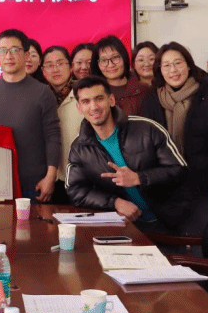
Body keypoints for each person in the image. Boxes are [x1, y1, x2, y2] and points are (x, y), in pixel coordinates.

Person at [66, 76, 188, 233]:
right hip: (125, 228)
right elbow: (75, 190)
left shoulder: (147, 129)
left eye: (99, 98)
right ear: (79, 108)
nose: (94, 106)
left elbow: (180, 170)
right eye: (86, 101)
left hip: (169, 224)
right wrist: (115, 202)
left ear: (111, 100)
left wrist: (139, 178)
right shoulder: (79, 147)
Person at [139, 43, 208, 233]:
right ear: (160, 70)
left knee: (197, 239)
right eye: (166, 65)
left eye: (178, 63)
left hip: (199, 186)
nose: (173, 70)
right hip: (161, 187)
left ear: (188, 65)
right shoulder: (153, 99)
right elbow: (144, 143)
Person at [0, 29, 61, 202]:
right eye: (3, 51)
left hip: (34, 184)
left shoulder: (43, 92)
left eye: (15, 50)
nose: (9, 56)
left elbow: (53, 136)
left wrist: (50, 177)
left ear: (27, 54)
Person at [43, 45, 78, 205]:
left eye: (60, 63)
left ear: (70, 67)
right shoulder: (40, 97)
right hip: (47, 179)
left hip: (79, 177)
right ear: (43, 71)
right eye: (49, 65)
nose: (55, 69)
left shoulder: (83, 95)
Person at [90, 35, 151, 116]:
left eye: (115, 57)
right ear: (97, 64)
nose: (111, 65)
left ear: (124, 57)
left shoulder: (143, 90)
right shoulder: (92, 93)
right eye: (103, 60)